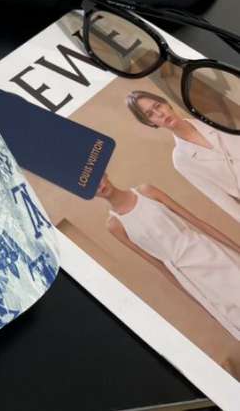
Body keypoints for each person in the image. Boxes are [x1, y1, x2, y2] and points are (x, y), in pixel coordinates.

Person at [96, 174, 240, 340]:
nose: (99, 186)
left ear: (104, 173)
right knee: (232, 313)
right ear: (90, 194)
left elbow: (197, 222)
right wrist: (200, 302)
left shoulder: (146, 192)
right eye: (93, 187)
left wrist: (237, 249)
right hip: (190, 275)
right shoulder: (114, 225)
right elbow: (158, 265)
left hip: (208, 252)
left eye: (98, 178)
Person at [126, 90, 240, 223]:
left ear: (166, 103)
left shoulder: (213, 119)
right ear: (150, 122)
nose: (159, 114)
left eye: (157, 106)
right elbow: (217, 196)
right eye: (150, 114)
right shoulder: (181, 159)